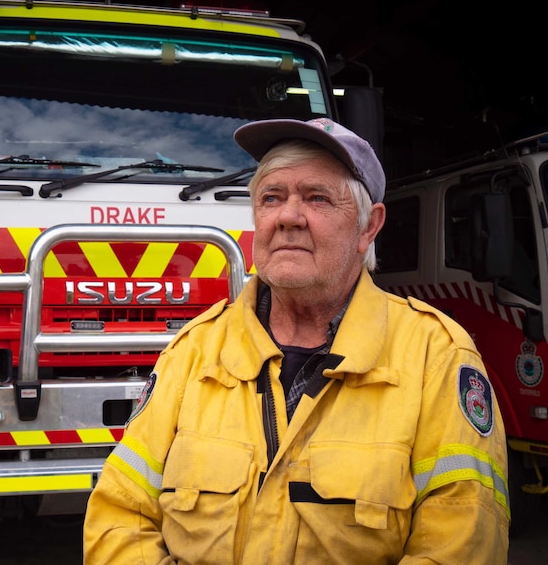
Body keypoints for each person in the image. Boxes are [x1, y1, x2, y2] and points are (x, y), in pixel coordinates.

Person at [82, 118, 510, 564]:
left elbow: (462, 544)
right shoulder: (193, 351)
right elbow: (118, 515)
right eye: (271, 198)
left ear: (369, 227)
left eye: (316, 198)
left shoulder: (435, 357)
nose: (288, 217)